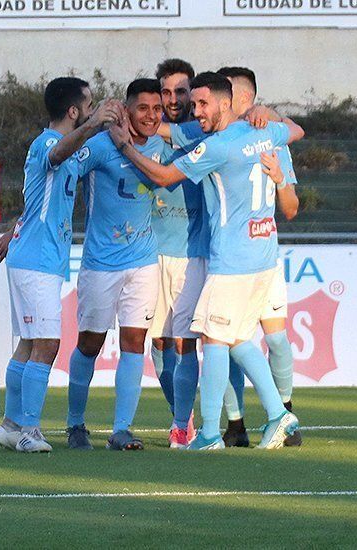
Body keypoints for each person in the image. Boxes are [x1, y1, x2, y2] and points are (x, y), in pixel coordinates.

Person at [109, 71, 305, 450]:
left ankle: (211, 434)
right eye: (194, 103)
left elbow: (166, 176)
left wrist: (126, 148)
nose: (195, 111)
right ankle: (280, 415)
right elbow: (295, 130)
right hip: (263, 257)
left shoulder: (217, 146)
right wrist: (269, 113)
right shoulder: (263, 133)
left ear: (225, 103)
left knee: (215, 341)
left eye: (202, 104)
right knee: (238, 340)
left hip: (232, 260)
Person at [0, 77, 121, 453]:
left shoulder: (70, 148)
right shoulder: (48, 143)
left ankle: (11, 425)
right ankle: (29, 429)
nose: (93, 111)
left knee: (30, 343)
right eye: (89, 105)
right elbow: (60, 154)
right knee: (47, 343)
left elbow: (39, 200)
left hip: (34, 255)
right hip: (36, 261)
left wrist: (13, 227)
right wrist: (95, 124)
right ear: (74, 111)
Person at [64, 78, 167, 451]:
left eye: (157, 109)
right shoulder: (101, 147)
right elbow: (62, 170)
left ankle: (122, 429)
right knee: (90, 344)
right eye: (143, 108)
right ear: (126, 110)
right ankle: (75, 424)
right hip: (101, 264)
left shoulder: (161, 147)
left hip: (143, 263)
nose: (151, 116)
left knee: (134, 343)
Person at [216, 66, 302, 448]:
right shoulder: (218, 141)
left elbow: (292, 209)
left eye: (227, 95)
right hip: (226, 257)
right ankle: (235, 424)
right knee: (227, 341)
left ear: (247, 100)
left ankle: (285, 414)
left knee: (277, 340)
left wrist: (281, 179)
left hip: (264, 259)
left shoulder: (271, 139)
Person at [147, 58, 208, 448]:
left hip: (189, 254)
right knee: (157, 344)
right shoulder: (149, 139)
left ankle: (181, 425)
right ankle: (181, 417)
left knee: (185, 342)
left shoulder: (202, 135)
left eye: (180, 91)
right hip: (150, 255)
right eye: (165, 92)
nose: (172, 99)